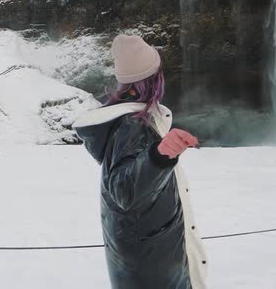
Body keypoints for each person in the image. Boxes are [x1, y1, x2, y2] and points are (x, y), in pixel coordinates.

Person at [73, 34, 208, 289]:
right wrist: (158, 155)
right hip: (152, 266)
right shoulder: (131, 125)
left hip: (147, 256)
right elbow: (123, 190)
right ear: (151, 81)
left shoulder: (133, 121)